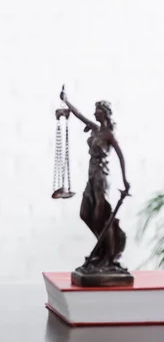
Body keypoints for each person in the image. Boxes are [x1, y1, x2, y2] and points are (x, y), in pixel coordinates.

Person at [60, 90, 130, 270]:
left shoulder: (108, 135)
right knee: (85, 214)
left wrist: (125, 180)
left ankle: (109, 255)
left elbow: (121, 156)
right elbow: (78, 115)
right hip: (91, 176)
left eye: (97, 110)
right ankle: (103, 248)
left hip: (101, 177)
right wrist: (66, 101)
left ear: (104, 113)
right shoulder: (95, 129)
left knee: (101, 215)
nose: (94, 113)